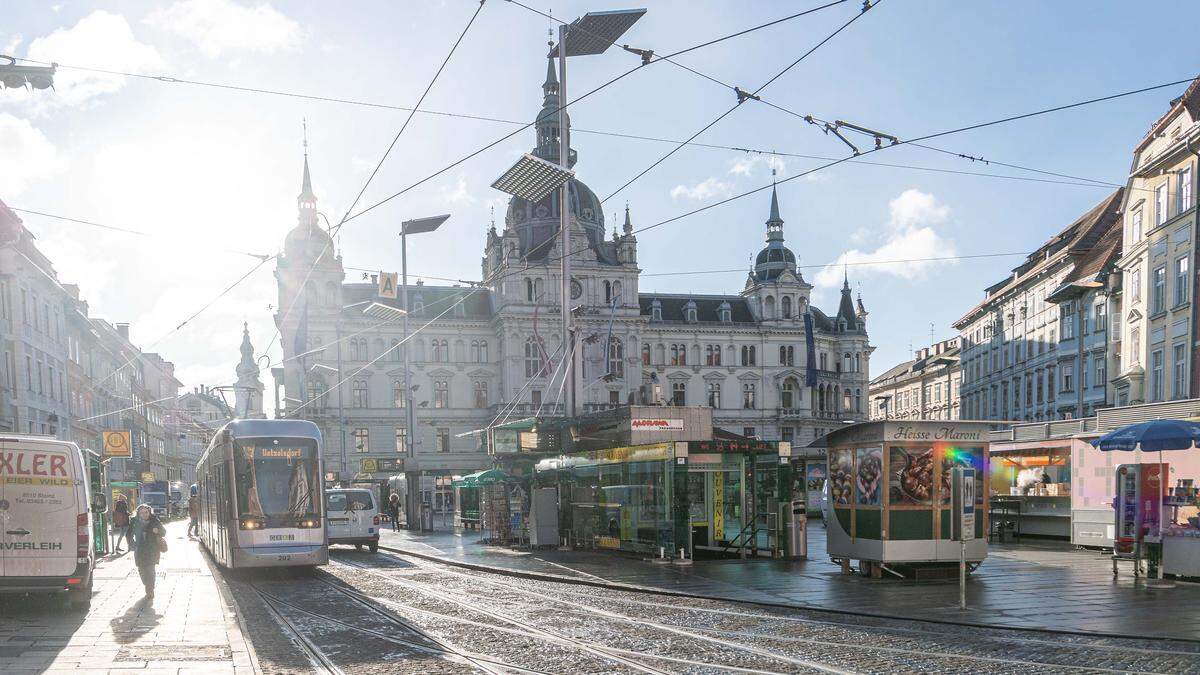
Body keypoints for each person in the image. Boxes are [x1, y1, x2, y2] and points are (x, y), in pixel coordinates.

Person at [131, 504, 165, 598]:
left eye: (146, 512)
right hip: (140, 551)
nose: (144, 514)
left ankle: (150, 589)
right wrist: (133, 545)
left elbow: (164, 532)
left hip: (152, 550)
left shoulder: (155, 521)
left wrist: (157, 531)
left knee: (151, 570)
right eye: (142, 513)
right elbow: (128, 535)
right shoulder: (134, 522)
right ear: (138, 514)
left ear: (149, 512)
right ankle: (147, 585)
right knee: (142, 571)